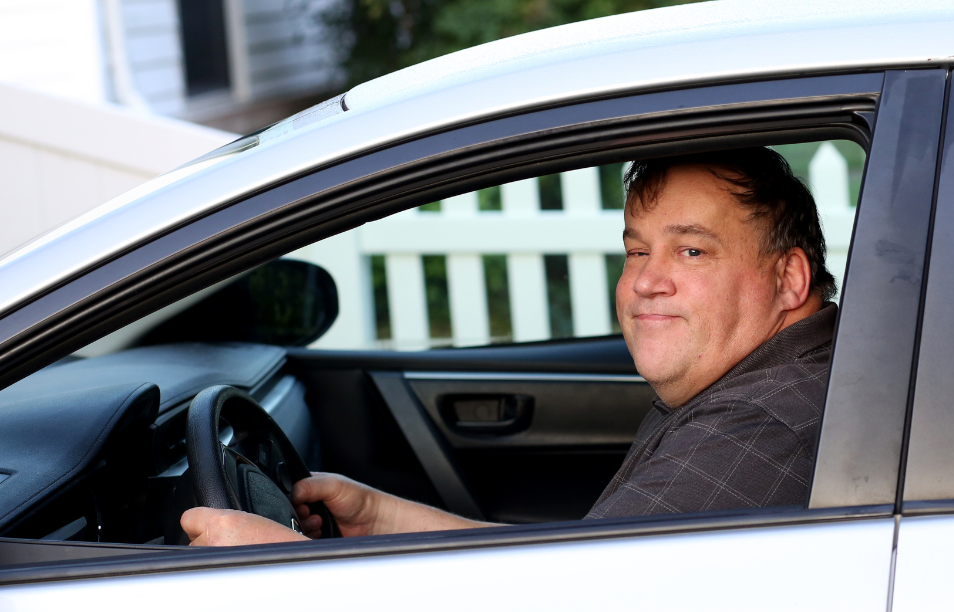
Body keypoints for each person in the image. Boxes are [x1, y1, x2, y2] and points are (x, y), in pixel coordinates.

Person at [182, 146, 839, 546]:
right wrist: (382, 520)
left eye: (691, 250)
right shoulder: (754, 379)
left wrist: (286, 565)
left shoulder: (764, 424)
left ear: (789, 279)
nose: (645, 280)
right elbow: (574, 568)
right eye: (637, 250)